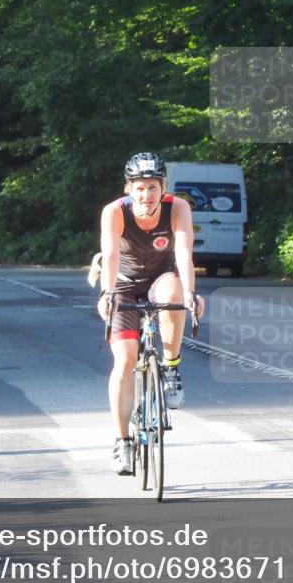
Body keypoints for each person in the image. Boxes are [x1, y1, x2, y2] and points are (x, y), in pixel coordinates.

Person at [96, 153, 205, 475]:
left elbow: (184, 252)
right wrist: (107, 293)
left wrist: (190, 293)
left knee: (173, 294)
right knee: (125, 360)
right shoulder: (115, 211)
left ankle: (171, 369)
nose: (147, 195)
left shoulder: (178, 208)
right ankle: (122, 441)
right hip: (125, 283)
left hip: (162, 278)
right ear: (129, 188)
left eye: (153, 187)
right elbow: (112, 254)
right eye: (140, 188)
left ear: (163, 187)